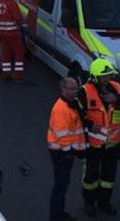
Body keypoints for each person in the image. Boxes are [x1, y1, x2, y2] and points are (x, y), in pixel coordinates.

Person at [78, 58, 120, 216]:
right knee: (91, 177)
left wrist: (117, 99)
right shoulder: (85, 92)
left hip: (112, 144)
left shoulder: (116, 87)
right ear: (95, 77)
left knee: (108, 177)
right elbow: (77, 115)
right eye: (104, 76)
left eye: (109, 75)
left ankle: (104, 202)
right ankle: (89, 202)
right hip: (93, 145)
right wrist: (88, 125)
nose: (108, 79)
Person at [47, 77, 88, 221]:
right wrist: (70, 152)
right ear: (64, 90)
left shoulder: (70, 105)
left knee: (62, 185)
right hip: (61, 153)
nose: (76, 91)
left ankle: (59, 213)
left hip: (64, 151)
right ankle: (56, 216)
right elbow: (62, 135)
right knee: (60, 186)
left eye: (76, 88)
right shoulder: (61, 109)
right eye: (72, 89)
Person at [0, 0, 25, 81]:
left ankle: (5, 73)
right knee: (19, 52)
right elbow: (18, 18)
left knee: (5, 52)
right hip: (12, 33)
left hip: (0, 32)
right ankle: (17, 75)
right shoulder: (12, 4)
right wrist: (24, 20)